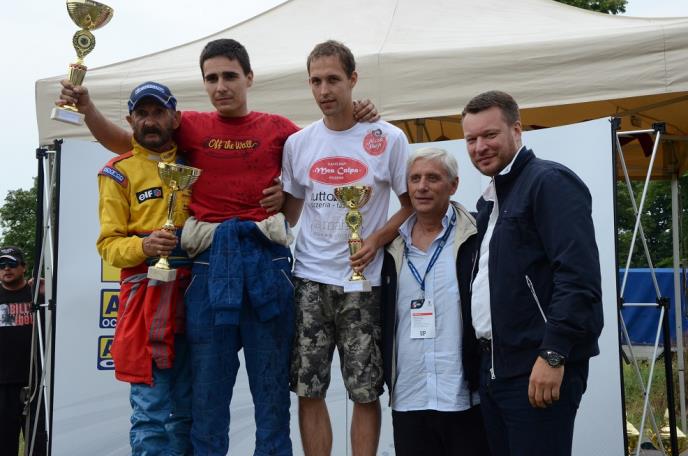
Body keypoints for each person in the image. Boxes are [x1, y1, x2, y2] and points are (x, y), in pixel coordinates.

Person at [58, 38, 378, 456]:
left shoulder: (280, 128)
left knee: (271, 396)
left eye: (230, 76)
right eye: (211, 78)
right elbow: (128, 141)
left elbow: (327, 145)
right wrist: (86, 109)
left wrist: (359, 113)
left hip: (266, 264)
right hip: (209, 266)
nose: (221, 86)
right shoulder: (189, 125)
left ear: (249, 77)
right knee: (207, 401)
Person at [281, 40, 412, 456]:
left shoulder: (388, 137)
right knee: (308, 389)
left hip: (364, 283)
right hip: (309, 280)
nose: (324, 90)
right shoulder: (298, 143)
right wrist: (268, 201)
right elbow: (290, 212)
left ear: (353, 80)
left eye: (333, 79)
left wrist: (376, 240)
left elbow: (410, 205)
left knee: (365, 390)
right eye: (316, 81)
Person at [461, 90, 604, 456]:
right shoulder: (490, 202)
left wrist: (554, 352)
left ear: (516, 130)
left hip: (537, 365)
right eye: (471, 139)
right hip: (496, 369)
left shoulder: (549, 182)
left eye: (489, 135)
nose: (480, 147)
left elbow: (578, 277)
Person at [96, 81, 192, 455]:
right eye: (142, 113)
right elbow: (108, 246)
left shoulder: (196, 164)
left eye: (158, 112)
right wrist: (144, 245)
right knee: (150, 414)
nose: (150, 121)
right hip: (147, 302)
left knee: (190, 415)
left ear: (175, 117)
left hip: (196, 296)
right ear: (130, 120)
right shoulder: (117, 172)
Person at [380, 147, 489, 456]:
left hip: (464, 395)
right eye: (415, 179)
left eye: (432, 178)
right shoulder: (389, 245)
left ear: (453, 185)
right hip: (409, 395)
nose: (422, 187)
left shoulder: (478, 236)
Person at [0, 246, 47, 456]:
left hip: (36, 383)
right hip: (3, 385)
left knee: (39, 446)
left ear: (24, 267)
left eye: (11, 263)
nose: (6, 268)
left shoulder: (38, 295)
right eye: (1, 265)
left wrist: (51, 290)